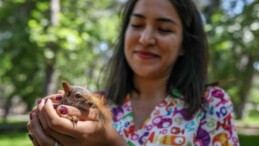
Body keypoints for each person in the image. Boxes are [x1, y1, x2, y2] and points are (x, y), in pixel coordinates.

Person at [27, 0, 240, 145]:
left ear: (185, 43)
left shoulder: (211, 104)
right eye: (137, 24)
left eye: (164, 29)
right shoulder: (102, 102)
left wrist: (114, 144)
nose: (145, 39)